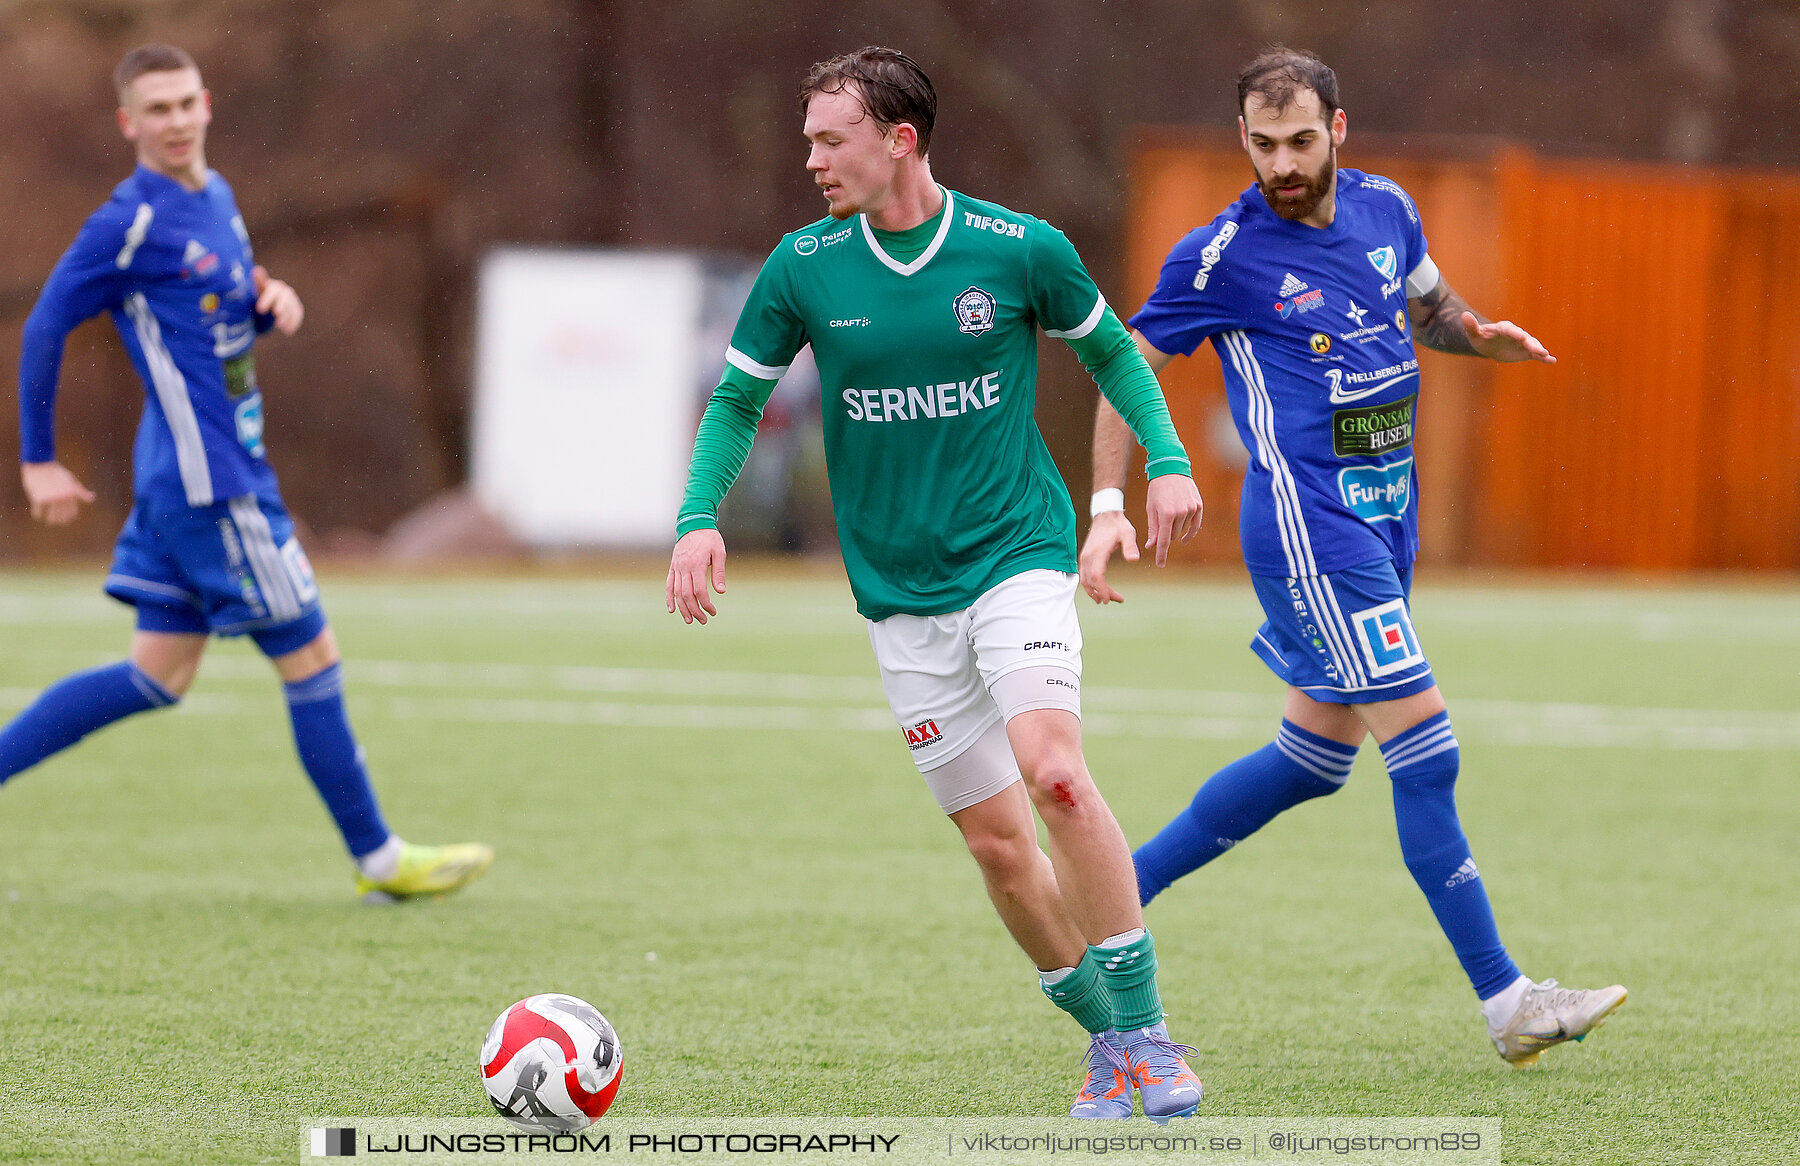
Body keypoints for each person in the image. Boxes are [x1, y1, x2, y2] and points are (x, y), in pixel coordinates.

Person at [666, 47, 1206, 1121]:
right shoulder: (803, 267)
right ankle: (1109, 1045)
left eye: (831, 138)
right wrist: (697, 519)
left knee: (1053, 774)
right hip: (901, 599)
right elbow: (734, 404)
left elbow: (1117, 357)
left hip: (1017, 556)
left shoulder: (1018, 249)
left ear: (899, 139)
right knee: (1000, 848)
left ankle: (1149, 1026)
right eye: (810, 138)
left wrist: (1171, 459)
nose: (811, 157)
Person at [1081, 47, 1626, 1067]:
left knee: (1312, 759)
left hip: (1385, 522)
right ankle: (1507, 999)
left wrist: (1477, 335)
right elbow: (1120, 368)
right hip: (1312, 534)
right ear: (1243, 139)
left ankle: (1109, 901)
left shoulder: (1388, 209)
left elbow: (1426, 309)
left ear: (1338, 129)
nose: (1281, 163)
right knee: (1427, 746)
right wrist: (1112, 497)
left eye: (1298, 140)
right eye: (1262, 143)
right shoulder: (1221, 256)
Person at [5, 44, 492, 904]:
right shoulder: (130, 221)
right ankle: (379, 858)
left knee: (157, 675)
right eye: (156, 109)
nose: (177, 120)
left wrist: (267, 304)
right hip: (215, 489)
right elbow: (46, 324)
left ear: (207, 103)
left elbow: (204, 325)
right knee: (312, 655)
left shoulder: (216, 197)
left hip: (187, 479)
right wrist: (39, 460)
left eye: (187, 102)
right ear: (130, 124)